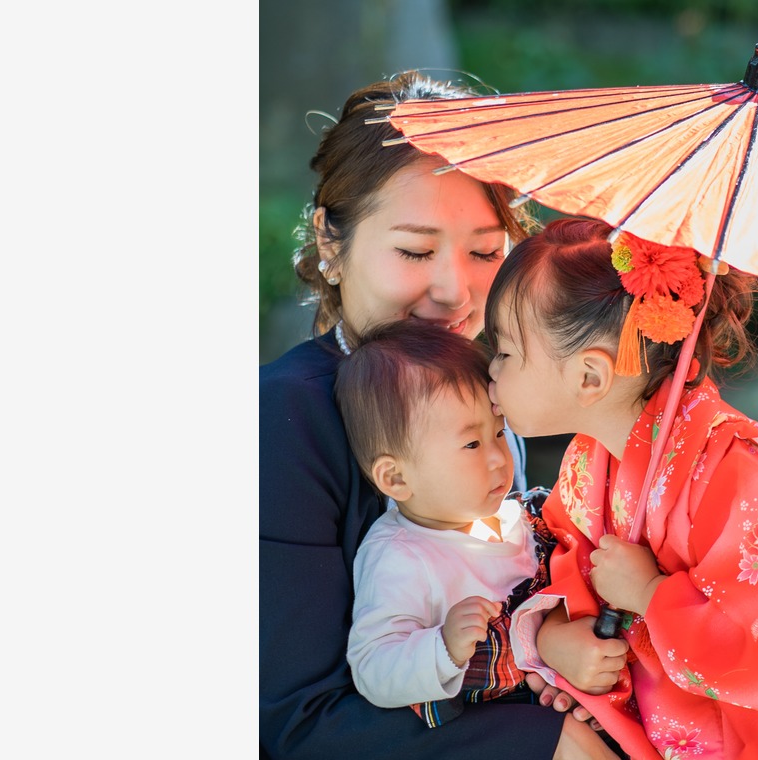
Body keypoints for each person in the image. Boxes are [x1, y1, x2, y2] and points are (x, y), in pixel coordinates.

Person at [259, 71, 620, 760]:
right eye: (416, 251)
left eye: (486, 251)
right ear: (331, 245)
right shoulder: (279, 424)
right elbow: (297, 724)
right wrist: (547, 742)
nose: (455, 290)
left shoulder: (493, 388)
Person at [484, 218, 758, 760]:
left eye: (505, 353)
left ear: (589, 377)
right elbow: (563, 571)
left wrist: (650, 597)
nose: (489, 371)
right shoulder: (586, 462)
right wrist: (556, 637)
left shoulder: (740, 471)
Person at [335, 319, 557, 727]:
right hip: (497, 724)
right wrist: (444, 647)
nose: (498, 457)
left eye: (499, 433)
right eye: (471, 443)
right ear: (397, 478)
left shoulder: (517, 517)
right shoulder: (401, 556)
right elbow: (372, 667)